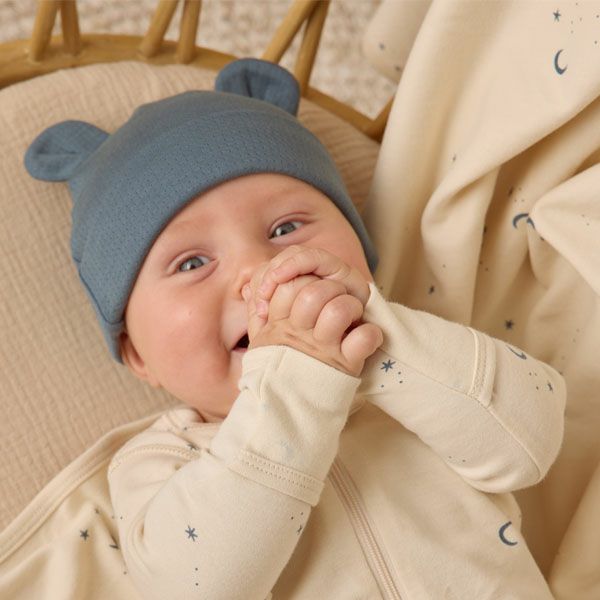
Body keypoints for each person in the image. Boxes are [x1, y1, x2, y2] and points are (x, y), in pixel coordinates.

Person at [25, 58, 565, 599]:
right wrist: (297, 384)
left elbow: (533, 443)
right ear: (138, 355)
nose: (259, 269)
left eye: (286, 228)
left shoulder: (424, 376)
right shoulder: (159, 462)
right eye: (191, 263)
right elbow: (196, 588)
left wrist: (376, 338)